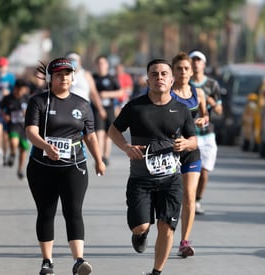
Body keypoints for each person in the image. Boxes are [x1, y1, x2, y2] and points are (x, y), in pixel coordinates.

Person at [107, 58, 197, 275]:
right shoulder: (135, 107)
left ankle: (156, 272)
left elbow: (193, 140)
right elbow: (113, 131)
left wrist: (186, 143)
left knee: (166, 227)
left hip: (170, 180)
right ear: (147, 79)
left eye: (164, 74)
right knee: (140, 225)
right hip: (141, 180)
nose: (159, 78)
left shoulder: (181, 109)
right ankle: (140, 234)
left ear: (172, 79)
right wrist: (127, 147)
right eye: (154, 74)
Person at [25, 57, 106, 275]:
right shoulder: (39, 101)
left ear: (72, 77)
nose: (64, 78)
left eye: (67, 74)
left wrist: (98, 160)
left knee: (74, 212)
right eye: (59, 74)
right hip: (42, 167)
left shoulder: (82, 104)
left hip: (74, 167)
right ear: (51, 78)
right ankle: (47, 262)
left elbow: (90, 136)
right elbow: (30, 132)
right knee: (46, 212)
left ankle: (79, 260)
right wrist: (46, 147)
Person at [171, 52, 208, 258]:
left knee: (189, 196)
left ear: (192, 71)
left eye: (186, 68)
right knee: (169, 196)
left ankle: (184, 241)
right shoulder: (166, 92)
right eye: (179, 68)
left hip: (191, 149)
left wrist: (203, 119)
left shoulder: (198, 93)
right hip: (169, 151)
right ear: (173, 72)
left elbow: (204, 114)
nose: (183, 72)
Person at [189, 50, 223, 214]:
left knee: (203, 172)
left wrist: (208, 100)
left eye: (198, 60)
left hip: (207, 134)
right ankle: (188, 199)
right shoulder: (184, 83)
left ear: (204, 64)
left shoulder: (212, 84)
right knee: (188, 171)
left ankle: (197, 200)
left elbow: (219, 110)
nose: (195, 63)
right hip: (188, 134)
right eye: (192, 60)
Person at [92, 55, 124, 166]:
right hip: (96, 109)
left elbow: (120, 92)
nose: (101, 66)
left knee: (108, 134)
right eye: (99, 63)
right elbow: (90, 92)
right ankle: (99, 157)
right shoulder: (92, 78)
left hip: (110, 109)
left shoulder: (112, 78)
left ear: (107, 65)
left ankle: (106, 156)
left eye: (103, 63)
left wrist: (107, 94)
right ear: (96, 65)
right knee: (99, 133)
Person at [0, 79, 31, 179]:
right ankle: (13, 153)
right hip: (13, 125)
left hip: (24, 127)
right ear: (16, 89)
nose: (22, 92)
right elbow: (1, 109)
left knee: (23, 149)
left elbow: (33, 111)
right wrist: (5, 116)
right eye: (21, 89)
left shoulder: (27, 98)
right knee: (14, 142)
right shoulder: (8, 98)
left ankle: (20, 169)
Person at [66, 52, 107, 121]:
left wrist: (100, 109)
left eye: (75, 60)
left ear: (80, 62)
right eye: (70, 60)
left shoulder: (86, 74)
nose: (72, 62)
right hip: (68, 108)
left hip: (83, 108)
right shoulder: (65, 76)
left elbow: (93, 93)